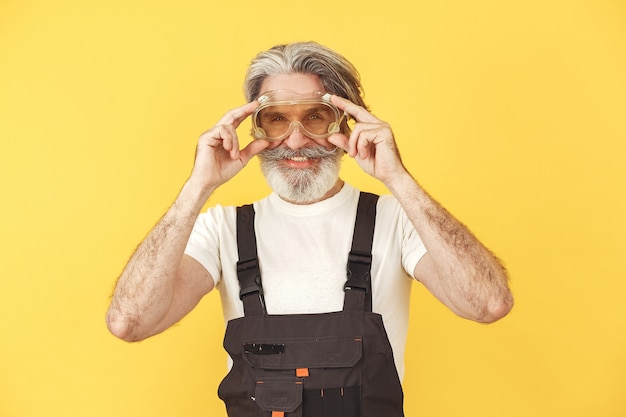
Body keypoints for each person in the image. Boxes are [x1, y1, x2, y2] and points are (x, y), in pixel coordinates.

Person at [106, 41, 514, 416]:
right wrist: (198, 188)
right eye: (277, 119)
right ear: (254, 127)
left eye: (315, 117)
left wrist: (399, 179)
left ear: (346, 124)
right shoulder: (222, 229)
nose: (296, 141)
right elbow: (130, 323)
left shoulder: (397, 220)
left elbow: (487, 304)